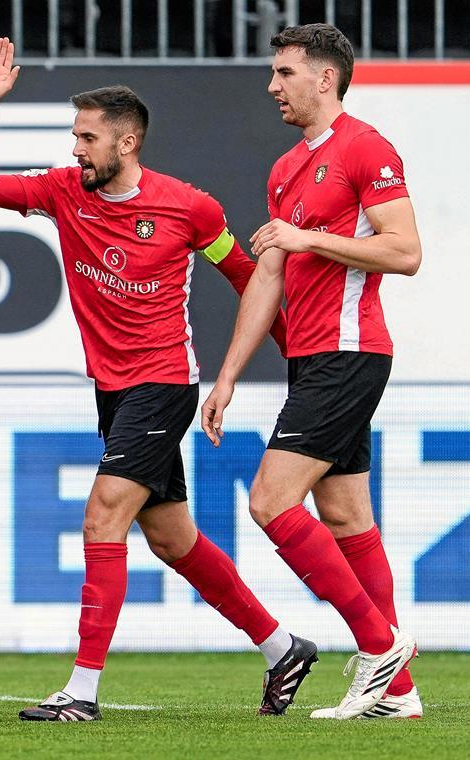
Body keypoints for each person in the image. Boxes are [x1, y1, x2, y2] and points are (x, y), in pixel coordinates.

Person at [0, 38, 313, 721]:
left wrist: (294, 360)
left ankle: (82, 692)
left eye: (87, 138)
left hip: (163, 384)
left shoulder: (190, 209)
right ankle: (282, 647)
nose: (76, 150)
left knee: (102, 516)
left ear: (127, 143)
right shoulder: (62, 192)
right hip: (114, 391)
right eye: (75, 137)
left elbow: (247, 279)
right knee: (173, 539)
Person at [200, 23, 421, 720]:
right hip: (313, 359)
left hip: (351, 351)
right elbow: (268, 277)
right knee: (346, 514)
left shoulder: (366, 147)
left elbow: (406, 252)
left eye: (285, 73)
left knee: (270, 501)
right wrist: (228, 376)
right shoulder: (285, 169)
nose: (272, 85)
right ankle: (398, 696)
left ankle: (380, 647)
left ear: (325, 78)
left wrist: (309, 238)